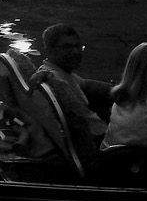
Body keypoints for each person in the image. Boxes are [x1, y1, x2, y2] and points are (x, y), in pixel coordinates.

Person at [30, 24, 111, 153]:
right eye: (67, 47)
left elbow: (85, 84)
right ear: (50, 50)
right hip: (100, 146)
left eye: (78, 46)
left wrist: (121, 89)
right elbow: (92, 127)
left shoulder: (58, 72)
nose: (75, 52)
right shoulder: (58, 81)